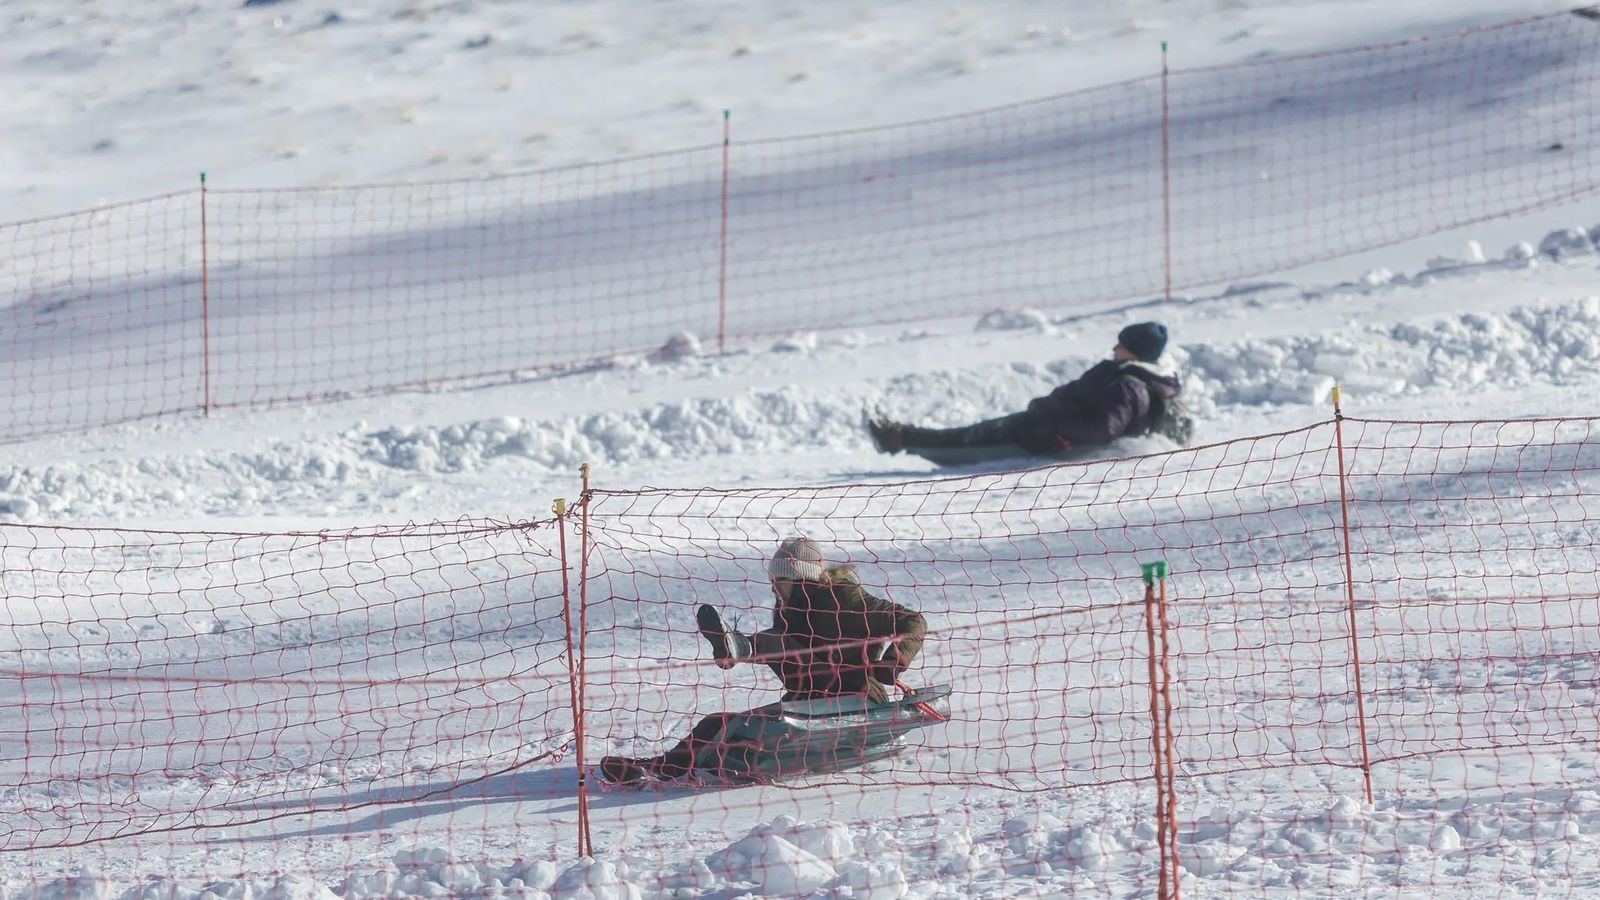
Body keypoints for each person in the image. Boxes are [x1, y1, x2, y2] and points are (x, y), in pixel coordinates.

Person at [598, 537, 927, 785]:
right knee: (717, 723)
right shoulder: (787, 609)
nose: (773, 586)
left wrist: (896, 660)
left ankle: (740, 648)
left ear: (799, 578)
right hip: (810, 701)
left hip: (857, 700)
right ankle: (654, 770)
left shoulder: (846, 599)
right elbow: (789, 651)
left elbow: (913, 620)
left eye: (778, 580)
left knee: (776, 645)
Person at [866, 322, 1186, 466]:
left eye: (1122, 344)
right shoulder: (1126, 374)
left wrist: (1057, 424)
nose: (1115, 347)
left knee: (971, 440)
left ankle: (898, 438)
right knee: (973, 435)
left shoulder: (1129, 386)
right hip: (1042, 425)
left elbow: (1104, 427)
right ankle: (900, 437)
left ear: (1135, 351)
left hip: (1044, 436)